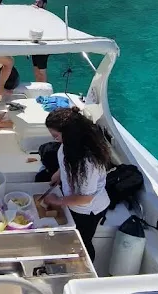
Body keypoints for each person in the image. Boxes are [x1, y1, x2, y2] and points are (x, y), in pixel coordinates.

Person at [42, 107, 111, 261]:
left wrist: (57, 201)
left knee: (83, 243)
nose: (55, 140)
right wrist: (59, 174)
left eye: (56, 136)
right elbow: (65, 162)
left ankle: (86, 271)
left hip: (87, 211)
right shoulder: (70, 145)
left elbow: (85, 198)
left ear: (69, 134)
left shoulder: (88, 162)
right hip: (73, 199)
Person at [31, 0, 49, 82]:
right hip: (35, 44)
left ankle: (44, 90)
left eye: (39, 3)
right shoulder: (34, 15)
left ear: (44, 4)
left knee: (42, 71)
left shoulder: (47, 15)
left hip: (43, 46)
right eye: (36, 2)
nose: (36, 4)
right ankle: (39, 88)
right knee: (36, 70)